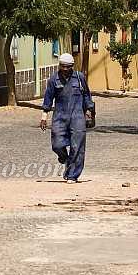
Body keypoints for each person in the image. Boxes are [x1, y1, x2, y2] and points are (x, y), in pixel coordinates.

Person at [41, 53, 95, 183]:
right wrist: (44, 116)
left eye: (68, 67)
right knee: (57, 144)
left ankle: (72, 175)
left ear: (72, 66)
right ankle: (65, 159)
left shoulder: (79, 78)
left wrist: (89, 110)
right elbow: (48, 98)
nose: (65, 69)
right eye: (63, 66)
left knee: (77, 147)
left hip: (77, 117)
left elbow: (87, 95)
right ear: (59, 66)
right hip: (60, 116)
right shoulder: (53, 80)